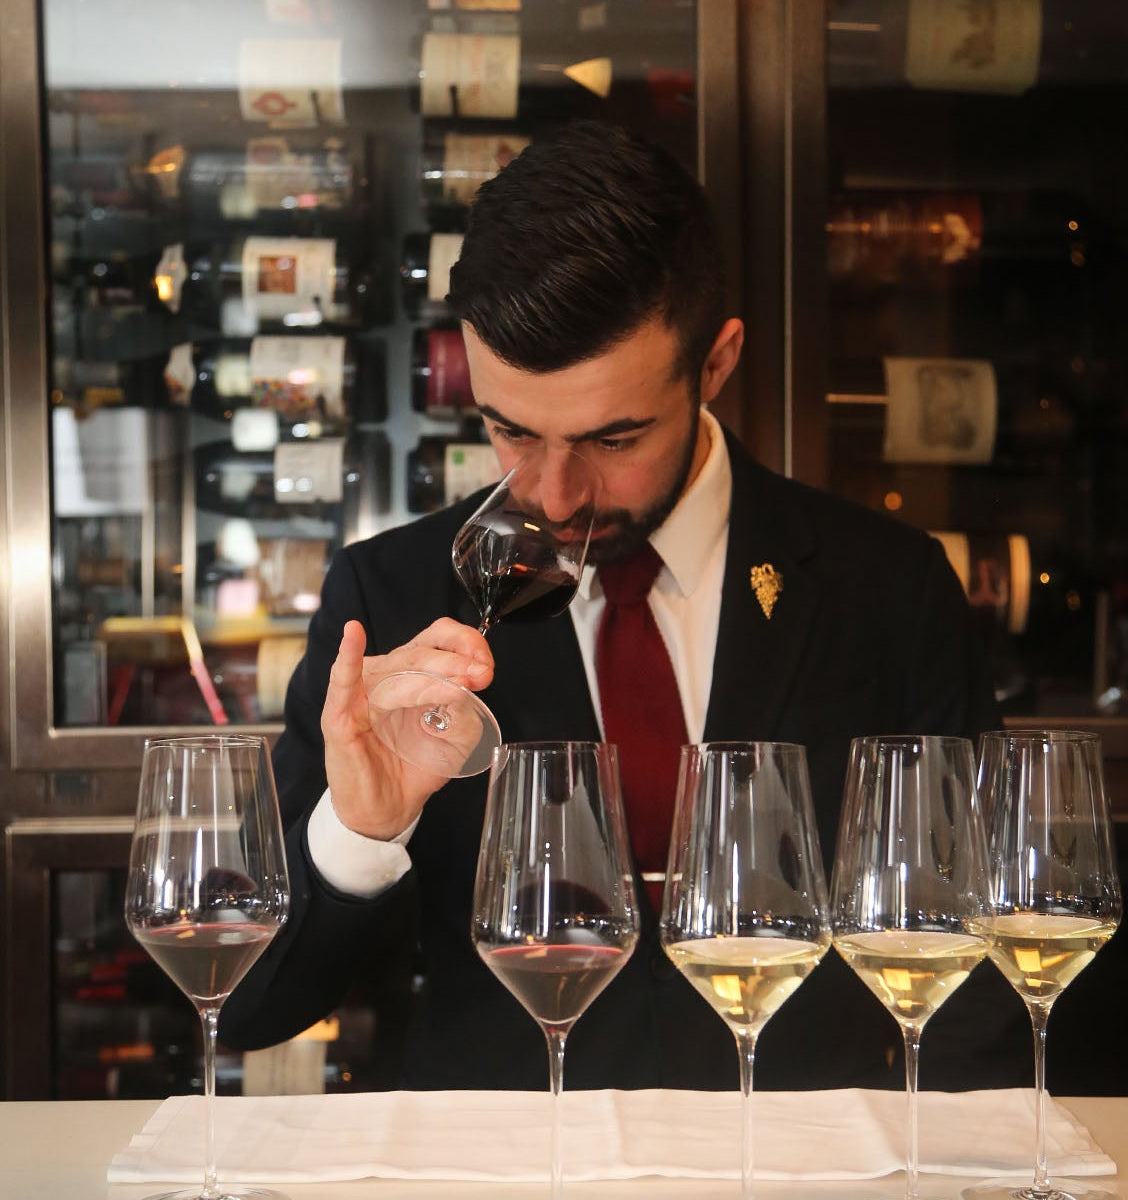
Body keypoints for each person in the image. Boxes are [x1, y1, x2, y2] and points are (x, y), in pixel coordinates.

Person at [219, 120, 1027, 1091]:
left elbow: (980, 961)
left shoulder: (888, 586)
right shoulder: (389, 596)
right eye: (510, 429)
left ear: (717, 364)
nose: (554, 494)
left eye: (613, 437)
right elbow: (252, 1005)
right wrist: (361, 829)